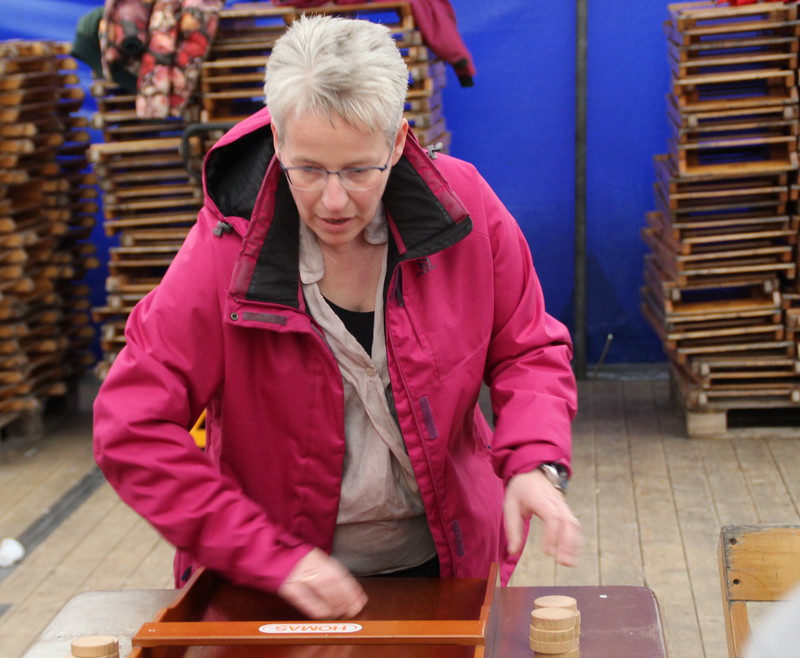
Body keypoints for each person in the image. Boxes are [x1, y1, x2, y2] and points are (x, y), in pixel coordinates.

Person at [93, 14, 580, 620]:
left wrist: (534, 462)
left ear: (397, 143)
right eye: (308, 169)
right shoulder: (225, 251)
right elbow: (131, 424)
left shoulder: (466, 210)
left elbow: (528, 348)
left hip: (444, 566)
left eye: (357, 171)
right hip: (269, 584)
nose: (332, 200)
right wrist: (265, 553)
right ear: (278, 140)